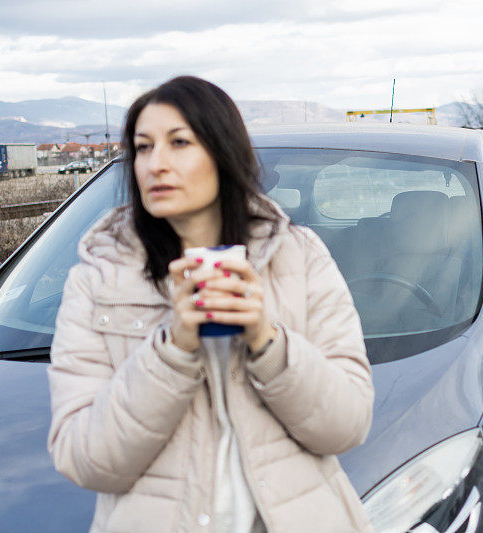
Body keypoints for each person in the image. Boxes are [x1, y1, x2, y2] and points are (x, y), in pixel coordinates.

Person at [47, 76, 374, 533]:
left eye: (179, 142)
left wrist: (268, 341)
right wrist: (173, 351)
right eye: (143, 147)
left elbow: (348, 425)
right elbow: (85, 459)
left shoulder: (299, 257)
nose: (155, 164)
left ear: (223, 153)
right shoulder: (97, 279)